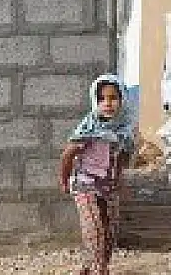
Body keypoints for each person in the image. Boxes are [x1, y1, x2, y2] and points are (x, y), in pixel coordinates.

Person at [59, 74, 135, 275]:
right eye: (101, 98)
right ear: (95, 100)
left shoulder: (124, 130)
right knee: (94, 229)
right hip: (85, 184)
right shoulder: (89, 127)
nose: (107, 103)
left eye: (113, 98)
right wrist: (64, 180)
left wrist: (119, 179)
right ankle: (98, 269)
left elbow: (124, 156)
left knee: (110, 232)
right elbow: (67, 154)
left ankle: (90, 265)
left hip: (109, 186)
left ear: (122, 99)